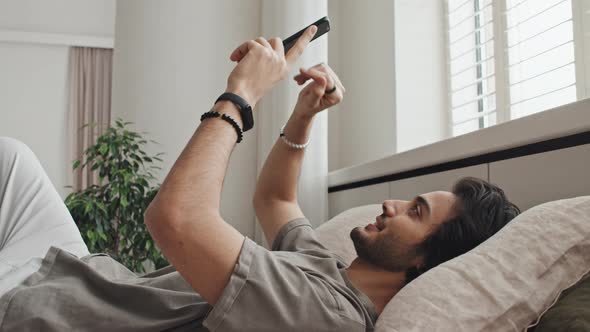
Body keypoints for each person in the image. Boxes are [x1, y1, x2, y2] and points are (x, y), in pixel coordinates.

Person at [0, 25, 520, 331]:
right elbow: (275, 198)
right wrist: (304, 113)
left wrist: (240, 96)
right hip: (80, 274)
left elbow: (174, 218)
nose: (391, 205)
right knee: (13, 158)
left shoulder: (326, 316)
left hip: (40, 306)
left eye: (416, 213)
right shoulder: (329, 270)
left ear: (428, 262)